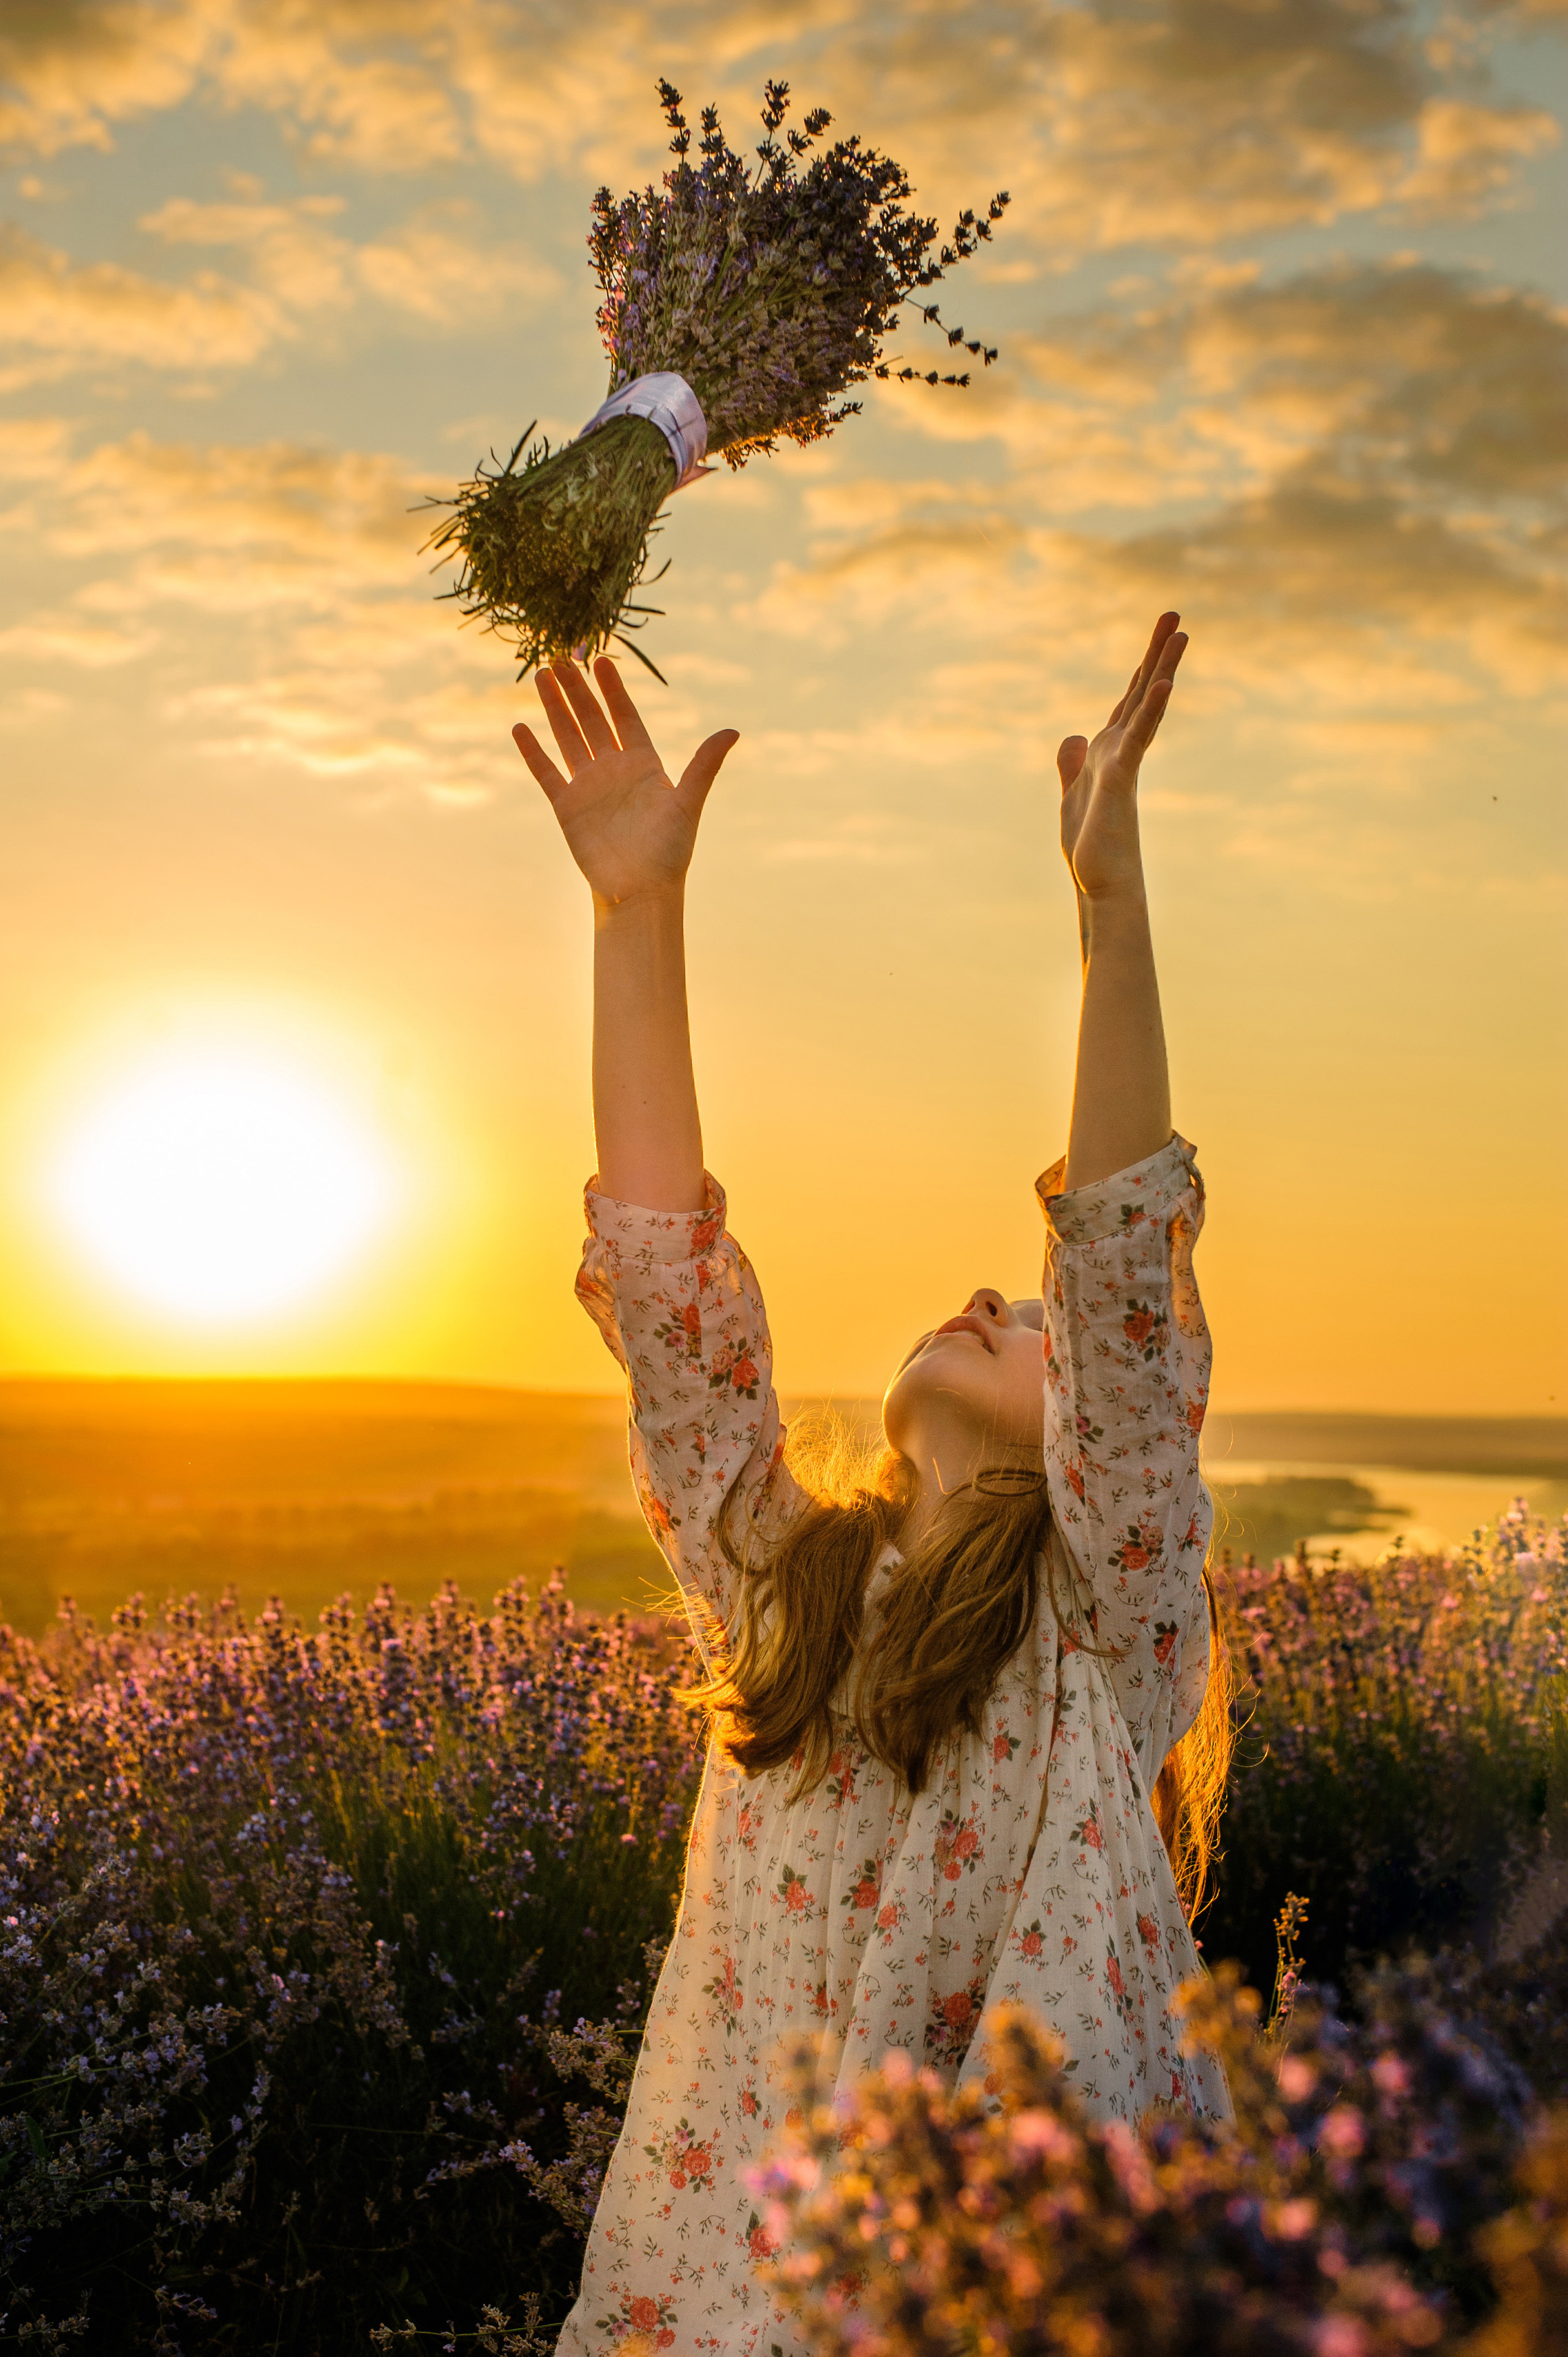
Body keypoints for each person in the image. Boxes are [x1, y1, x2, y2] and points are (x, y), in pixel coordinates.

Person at [512, 613, 1234, 2357]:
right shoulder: (783, 1587)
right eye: (1001, 1294)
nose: (996, 1297)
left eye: (1035, 1320)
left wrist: (1110, 915)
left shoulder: (1099, 1626)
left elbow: (1128, 1269)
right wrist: (633, 916)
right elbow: (675, 1301)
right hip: (751, 2305)